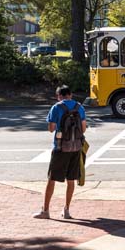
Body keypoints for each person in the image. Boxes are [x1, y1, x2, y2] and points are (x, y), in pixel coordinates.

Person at [33, 85, 87, 220]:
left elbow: (51, 129)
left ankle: (45, 211)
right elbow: (83, 129)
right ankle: (66, 210)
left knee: (52, 179)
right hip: (76, 148)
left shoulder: (56, 107)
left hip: (60, 148)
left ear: (59, 96)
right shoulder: (79, 107)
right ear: (71, 94)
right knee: (71, 180)